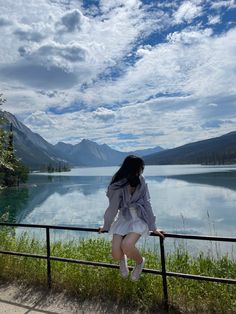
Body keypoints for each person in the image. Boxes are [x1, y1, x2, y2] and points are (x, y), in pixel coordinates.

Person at [98, 155, 165, 281]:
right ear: (131, 168)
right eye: (139, 168)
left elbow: (147, 203)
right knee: (116, 254)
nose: (141, 171)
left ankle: (140, 263)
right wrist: (106, 226)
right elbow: (112, 208)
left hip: (139, 217)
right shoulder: (118, 184)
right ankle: (123, 260)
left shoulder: (141, 180)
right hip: (123, 218)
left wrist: (153, 227)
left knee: (127, 244)